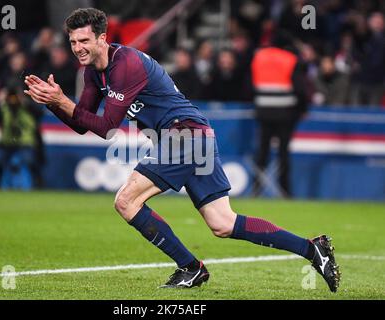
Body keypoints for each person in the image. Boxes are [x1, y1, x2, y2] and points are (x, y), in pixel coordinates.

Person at [24, 8, 340, 292]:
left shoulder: (126, 64)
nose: (78, 48)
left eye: (84, 41)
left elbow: (107, 127)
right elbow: (83, 123)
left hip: (183, 135)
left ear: (102, 38)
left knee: (126, 200)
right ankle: (313, 249)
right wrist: (55, 104)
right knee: (222, 223)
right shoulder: (93, 71)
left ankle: (190, 267)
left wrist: (61, 100)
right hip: (191, 136)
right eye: (73, 42)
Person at [251, 32, 308, 198]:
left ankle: (257, 187)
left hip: (263, 110)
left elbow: (250, 84)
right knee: (283, 152)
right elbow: (300, 88)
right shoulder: (290, 59)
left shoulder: (259, 57)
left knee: (262, 151)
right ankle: (285, 190)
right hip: (286, 112)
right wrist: (303, 108)